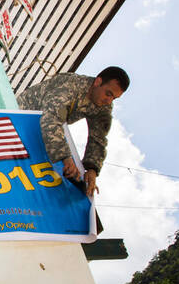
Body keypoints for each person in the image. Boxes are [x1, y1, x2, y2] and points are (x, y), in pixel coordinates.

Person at [16, 66, 129, 198]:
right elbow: (51, 119)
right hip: (21, 114)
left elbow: (98, 138)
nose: (108, 101)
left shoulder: (104, 106)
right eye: (108, 94)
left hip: (41, 131)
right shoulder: (71, 86)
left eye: (114, 98)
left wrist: (92, 169)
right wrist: (66, 158)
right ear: (98, 82)